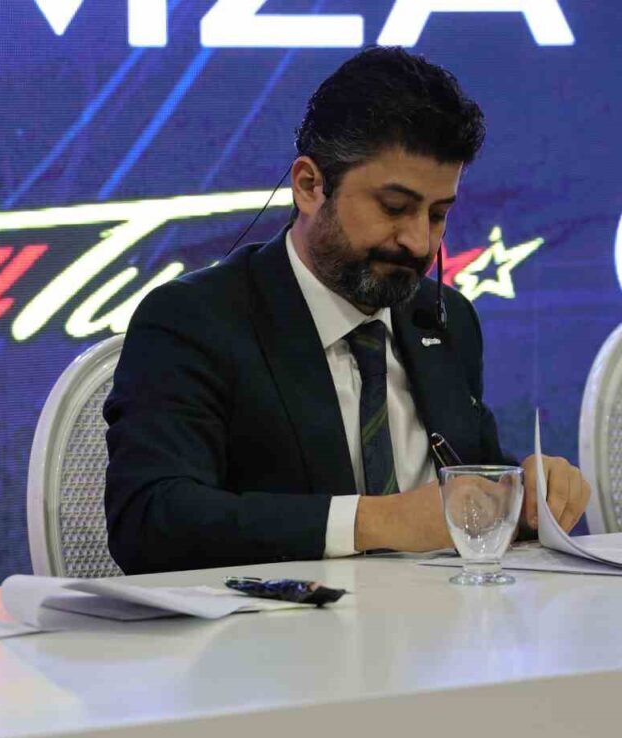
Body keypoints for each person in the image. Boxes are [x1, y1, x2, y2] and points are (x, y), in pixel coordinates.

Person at [104, 47, 590, 574]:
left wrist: (526, 496)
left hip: (443, 621)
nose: (418, 241)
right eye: (395, 207)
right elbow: (150, 521)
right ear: (310, 186)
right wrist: (376, 522)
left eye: (438, 214)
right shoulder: (193, 320)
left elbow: (469, 490)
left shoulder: (446, 318)